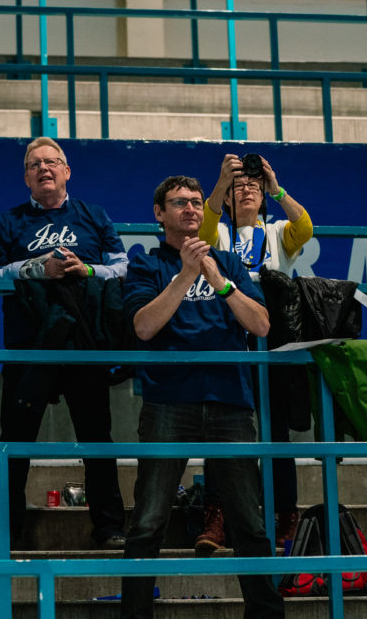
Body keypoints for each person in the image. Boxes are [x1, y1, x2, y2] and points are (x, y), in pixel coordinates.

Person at [121, 175, 284, 619]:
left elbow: (261, 325)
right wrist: (186, 276)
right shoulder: (146, 265)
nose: (191, 208)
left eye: (196, 201)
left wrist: (219, 281)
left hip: (230, 400)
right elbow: (143, 327)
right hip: (168, 400)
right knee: (148, 521)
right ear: (159, 214)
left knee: (249, 522)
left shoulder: (228, 263)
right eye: (179, 203)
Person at [0, 136, 128, 550]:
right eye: (34, 164)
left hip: (83, 344)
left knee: (97, 438)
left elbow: (122, 267)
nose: (43, 168)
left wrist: (88, 270)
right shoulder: (8, 221)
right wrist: (34, 268)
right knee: (14, 440)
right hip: (29, 346)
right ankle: (6, 531)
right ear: (26, 177)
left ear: (66, 171)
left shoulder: (93, 215)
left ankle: (110, 527)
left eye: (51, 162)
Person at [198, 152, 313, 551]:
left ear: (263, 197)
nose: (246, 190)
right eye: (238, 187)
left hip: (273, 337)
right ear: (227, 200)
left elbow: (305, 227)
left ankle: (285, 514)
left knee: (275, 430)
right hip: (229, 332)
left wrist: (275, 186)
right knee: (221, 427)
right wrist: (220, 184)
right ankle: (217, 514)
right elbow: (204, 229)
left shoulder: (278, 232)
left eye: (253, 186)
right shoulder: (219, 233)